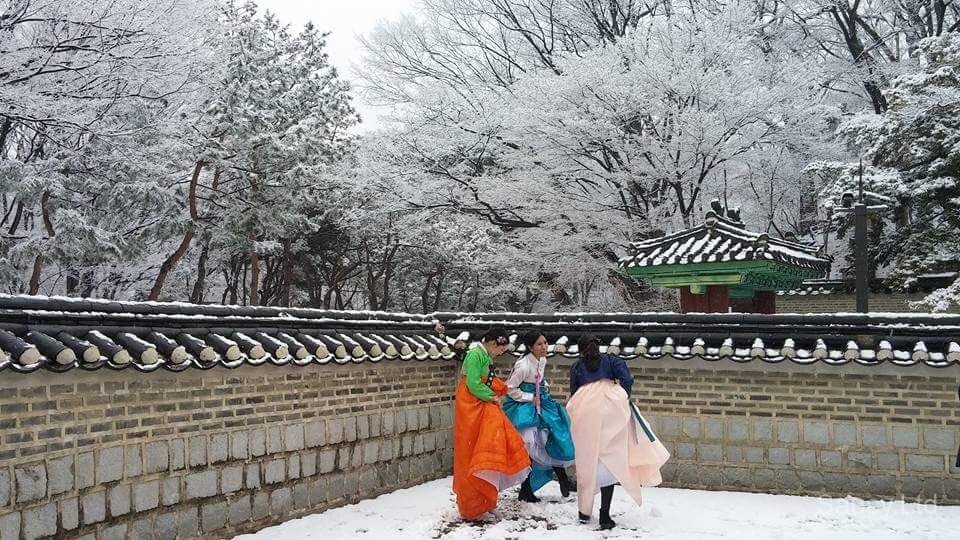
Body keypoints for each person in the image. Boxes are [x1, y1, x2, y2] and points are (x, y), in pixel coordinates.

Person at [566, 335, 670, 530]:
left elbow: (573, 390)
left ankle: (583, 511)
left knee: (587, 462)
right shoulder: (612, 361)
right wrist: (623, 398)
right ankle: (604, 514)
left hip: (584, 411)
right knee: (610, 461)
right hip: (610, 410)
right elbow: (627, 379)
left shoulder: (577, 367)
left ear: (580, 351)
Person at [452, 327, 531, 520]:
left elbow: (485, 380)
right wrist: (492, 397)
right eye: (501, 350)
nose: (500, 353)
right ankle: (472, 505)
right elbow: (473, 383)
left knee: (484, 445)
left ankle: (485, 500)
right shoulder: (474, 355)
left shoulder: (484, 356)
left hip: (480, 401)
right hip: (471, 403)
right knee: (471, 450)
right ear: (493, 343)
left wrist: (500, 388)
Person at [502, 331, 576, 502]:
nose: (544, 347)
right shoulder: (523, 365)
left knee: (552, 436)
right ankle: (526, 488)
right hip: (524, 407)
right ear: (530, 347)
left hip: (540, 402)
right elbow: (510, 388)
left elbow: (540, 380)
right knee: (528, 446)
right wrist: (529, 397)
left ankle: (562, 480)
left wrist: (543, 388)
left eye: (545, 342)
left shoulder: (542, 360)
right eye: (539, 344)